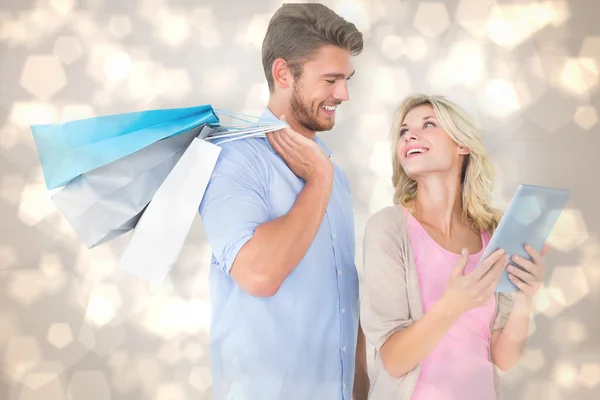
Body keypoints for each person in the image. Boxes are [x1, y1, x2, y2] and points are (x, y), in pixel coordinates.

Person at [198, 4, 369, 400]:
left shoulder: (333, 173)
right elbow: (258, 275)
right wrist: (318, 182)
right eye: (330, 79)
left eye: (346, 79)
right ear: (282, 73)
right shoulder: (230, 157)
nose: (343, 94)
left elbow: (345, 298)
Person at [360, 94, 549, 399]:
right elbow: (394, 360)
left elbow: (503, 357)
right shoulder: (388, 229)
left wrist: (526, 298)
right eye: (403, 131)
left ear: (462, 145)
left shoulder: (493, 235)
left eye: (428, 124)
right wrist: (452, 305)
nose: (409, 135)